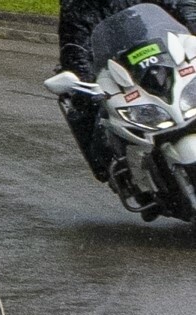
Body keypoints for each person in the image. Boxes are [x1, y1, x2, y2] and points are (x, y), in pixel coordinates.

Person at [58, 0, 196, 182]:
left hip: (163, 56)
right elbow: (74, 47)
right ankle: (116, 169)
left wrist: (192, 23)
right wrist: (82, 77)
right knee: (87, 106)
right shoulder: (77, 7)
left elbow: (179, 3)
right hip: (113, 74)